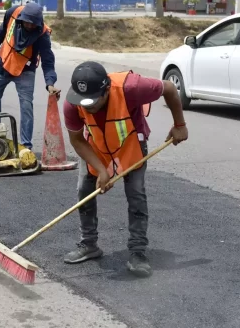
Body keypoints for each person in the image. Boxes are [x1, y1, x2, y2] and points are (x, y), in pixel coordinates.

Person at [62, 61, 189, 277]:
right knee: (84, 190)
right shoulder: (72, 103)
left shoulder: (131, 88)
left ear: (106, 90)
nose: (87, 107)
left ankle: (138, 252)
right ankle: (89, 244)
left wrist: (180, 125)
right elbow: (77, 140)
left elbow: (168, 87)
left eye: (92, 102)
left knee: (136, 195)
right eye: (84, 103)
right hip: (96, 146)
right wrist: (102, 170)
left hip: (130, 144)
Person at [0, 2, 60, 150]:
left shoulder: (42, 34)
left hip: (25, 70)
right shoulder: (13, 13)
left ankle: (26, 147)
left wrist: (50, 83)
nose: (30, 26)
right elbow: (2, 30)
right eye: (27, 22)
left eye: (33, 24)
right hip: (4, 63)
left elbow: (48, 60)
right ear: (22, 18)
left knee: (26, 106)